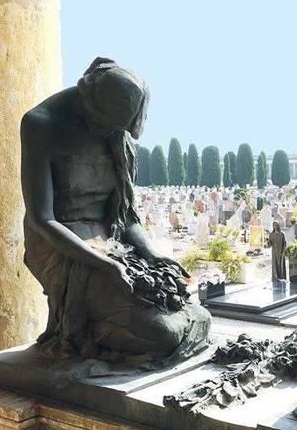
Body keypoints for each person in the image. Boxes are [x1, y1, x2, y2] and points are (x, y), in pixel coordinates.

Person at [21, 57, 211, 364]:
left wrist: (151, 254)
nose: (113, 133)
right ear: (90, 103)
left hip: (115, 247)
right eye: (109, 126)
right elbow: (42, 219)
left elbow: (123, 217)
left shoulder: (116, 132)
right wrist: (105, 265)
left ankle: (113, 323)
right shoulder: (40, 124)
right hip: (64, 249)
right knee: (165, 334)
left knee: (198, 316)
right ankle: (92, 329)